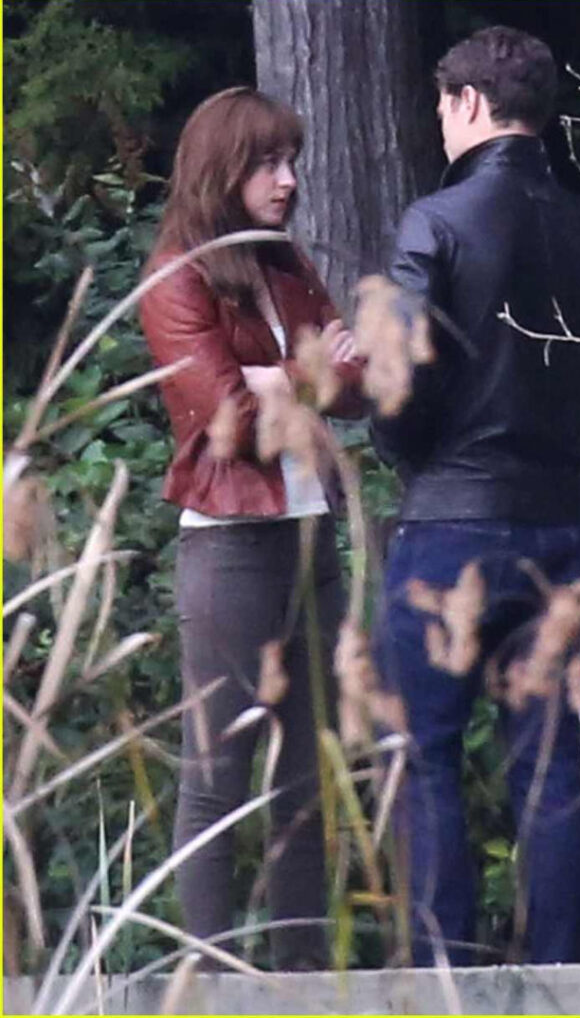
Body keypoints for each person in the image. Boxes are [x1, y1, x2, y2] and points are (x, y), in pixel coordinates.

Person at [371, 27, 580, 966]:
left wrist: (416, 452)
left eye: (443, 105)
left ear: (469, 103)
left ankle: (442, 977)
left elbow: (398, 388)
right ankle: (562, 973)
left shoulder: (434, 222)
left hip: (448, 524)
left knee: (423, 752)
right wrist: (565, 447)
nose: (440, 123)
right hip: (557, 528)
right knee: (549, 759)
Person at [139, 87, 363, 971]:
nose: (288, 180)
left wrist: (277, 377)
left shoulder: (285, 264)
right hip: (231, 542)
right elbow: (227, 417)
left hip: (311, 534)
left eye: (290, 161)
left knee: (305, 778)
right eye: (267, 163)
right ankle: (207, 978)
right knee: (217, 777)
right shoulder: (178, 276)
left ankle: (300, 976)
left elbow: (360, 383)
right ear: (220, 171)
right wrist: (299, 373)